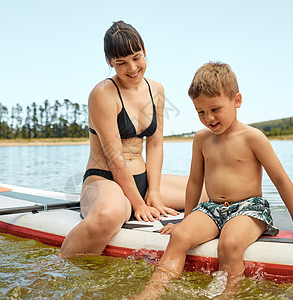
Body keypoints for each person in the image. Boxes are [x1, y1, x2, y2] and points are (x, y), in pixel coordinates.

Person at [139, 62, 293, 298]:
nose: (208, 118)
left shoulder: (253, 137)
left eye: (215, 109)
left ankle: (227, 295)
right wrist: (186, 221)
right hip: (211, 208)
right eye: (200, 112)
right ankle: (152, 291)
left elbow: (280, 180)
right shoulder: (201, 139)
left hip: (249, 209)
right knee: (179, 237)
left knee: (229, 244)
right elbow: (195, 183)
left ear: (236, 100)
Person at [60, 21, 208, 258]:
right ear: (110, 62)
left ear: (144, 50)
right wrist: (139, 205)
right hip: (105, 180)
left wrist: (155, 193)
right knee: (109, 215)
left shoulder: (156, 89)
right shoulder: (103, 94)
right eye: (121, 63)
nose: (132, 68)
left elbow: (156, 143)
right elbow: (114, 157)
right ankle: (55, 268)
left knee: (210, 189)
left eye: (136, 57)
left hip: (143, 179)